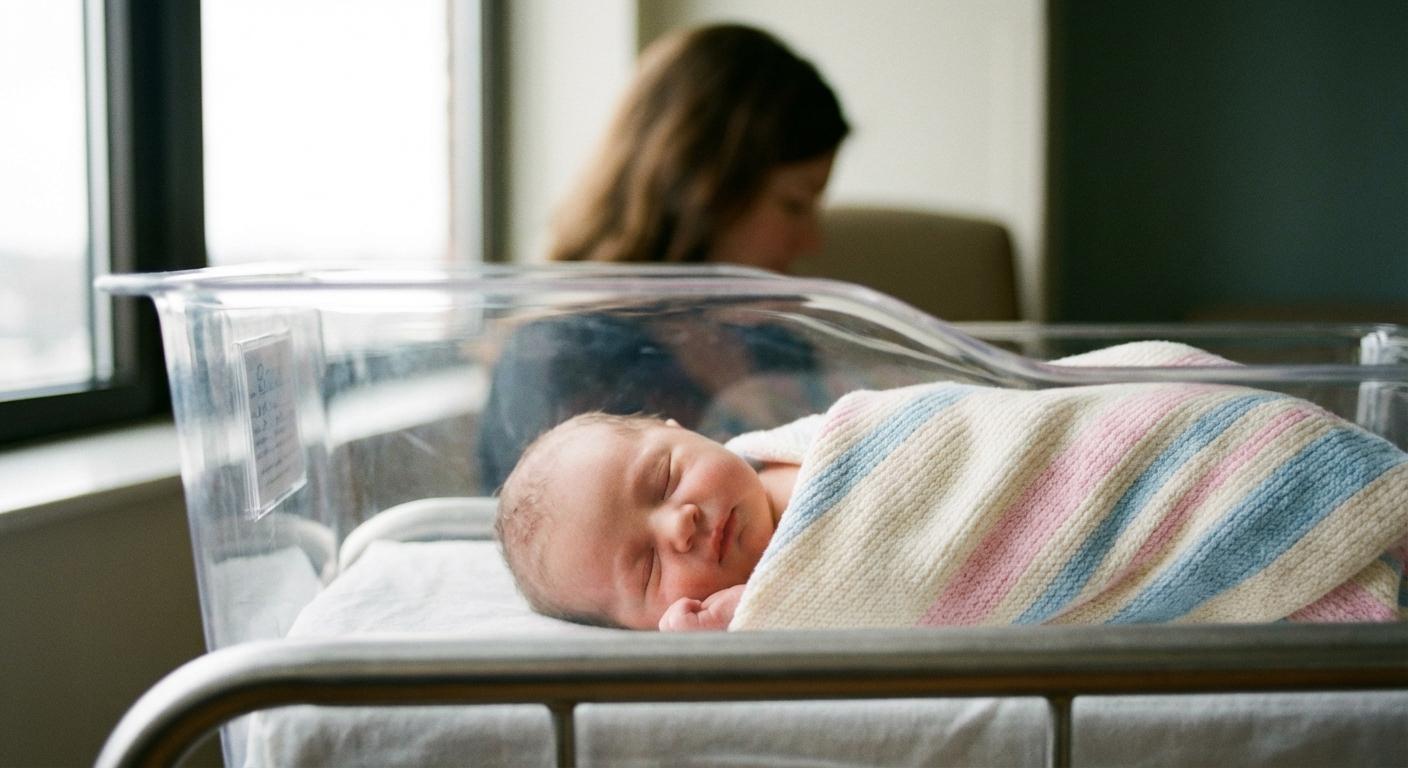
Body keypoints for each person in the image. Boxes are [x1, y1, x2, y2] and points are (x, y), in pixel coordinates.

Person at [475, 23, 849, 493]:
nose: (812, 241)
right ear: (704, 187)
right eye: (794, 204)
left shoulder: (782, 345)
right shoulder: (563, 358)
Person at [494, 411, 800, 631]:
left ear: (682, 430)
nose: (679, 526)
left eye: (666, 479)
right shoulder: (748, 610)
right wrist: (753, 611)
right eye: (649, 568)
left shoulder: (792, 444)